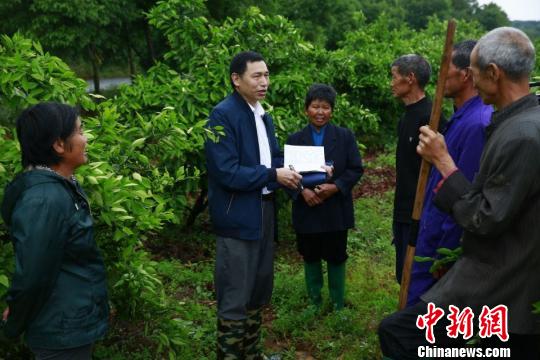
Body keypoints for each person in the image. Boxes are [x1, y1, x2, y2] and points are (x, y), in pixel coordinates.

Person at [379, 27, 540, 359]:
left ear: (493, 73)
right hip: (505, 283)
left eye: (476, 73)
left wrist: (442, 161)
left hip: (501, 284)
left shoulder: (521, 135)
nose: (473, 81)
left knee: (399, 334)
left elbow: (486, 217)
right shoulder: (515, 121)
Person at [205, 51, 302, 359]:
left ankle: (253, 353)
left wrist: (306, 169)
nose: (264, 82)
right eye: (256, 76)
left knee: (259, 287)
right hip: (238, 214)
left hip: (263, 211)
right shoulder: (223, 115)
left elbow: (270, 159)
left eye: (267, 75)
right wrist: (274, 174)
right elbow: (226, 171)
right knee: (236, 289)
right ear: (236, 80)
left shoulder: (261, 113)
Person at [0, 102, 109, 359]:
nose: (86, 138)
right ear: (59, 145)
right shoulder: (45, 200)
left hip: (69, 322)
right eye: (80, 131)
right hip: (61, 330)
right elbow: (34, 274)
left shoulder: (60, 186)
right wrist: (15, 321)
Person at [407, 40, 492, 306]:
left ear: (466, 74)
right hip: (432, 231)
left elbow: (463, 193)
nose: (439, 78)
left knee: (426, 318)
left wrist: (445, 253)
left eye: (447, 69)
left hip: (440, 244)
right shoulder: (460, 116)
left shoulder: (476, 124)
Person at [286, 84, 363, 310]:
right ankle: (315, 301)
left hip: (335, 208)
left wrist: (336, 187)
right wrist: (302, 191)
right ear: (306, 109)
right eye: (315, 106)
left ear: (332, 111)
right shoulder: (295, 139)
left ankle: (338, 302)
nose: (320, 112)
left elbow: (355, 169)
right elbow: (286, 173)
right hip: (306, 208)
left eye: (326, 107)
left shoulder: (344, 136)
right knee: (310, 254)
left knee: (336, 254)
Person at [390, 54, 445, 284]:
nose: (391, 83)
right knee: (403, 272)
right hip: (403, 207)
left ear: (410, 78)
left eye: (394, 76)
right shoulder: (406, 117)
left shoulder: (431, 117)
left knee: (417, 274)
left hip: (421, 211)